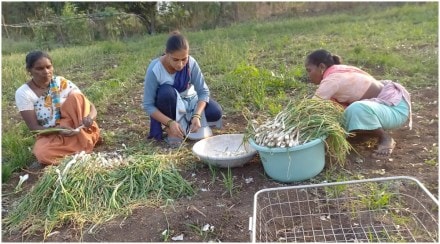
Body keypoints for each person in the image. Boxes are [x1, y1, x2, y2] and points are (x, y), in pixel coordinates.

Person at [305, 49, 411, 159]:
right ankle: (365, 132)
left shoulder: (332, 79)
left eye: (309, 70)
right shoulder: (338, 71)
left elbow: (311, 107)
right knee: (336, 107)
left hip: (395, 110)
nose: (308, 75)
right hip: (384, 108)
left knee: (355, 108)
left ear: (322, 67)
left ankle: (385, 138)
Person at [15, 51, 101, 168]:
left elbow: (91, 106)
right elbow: (34, 129)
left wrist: (89, 118)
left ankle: (82, 142)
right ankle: (83, 145)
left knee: (76, 97)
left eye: (48, 67)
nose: (46, 72)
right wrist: (58, 130)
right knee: (42, 153)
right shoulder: (24, 93)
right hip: (51, 133)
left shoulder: (61, 82)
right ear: (29, 70)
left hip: (75, 128)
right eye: (39, 69)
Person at [143, 31, 222, 146]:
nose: (180, 64)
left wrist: (197, 115)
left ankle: (190, 122)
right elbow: (148, 105)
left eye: (184, 59)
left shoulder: (191, 63)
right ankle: (171, 128)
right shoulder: (155, 69)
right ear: (166, 53)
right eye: (175, 59)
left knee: (215, 112)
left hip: (190, 100)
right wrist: (169, 122)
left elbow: (203, 92)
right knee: (166, 92)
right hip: (170, 103)